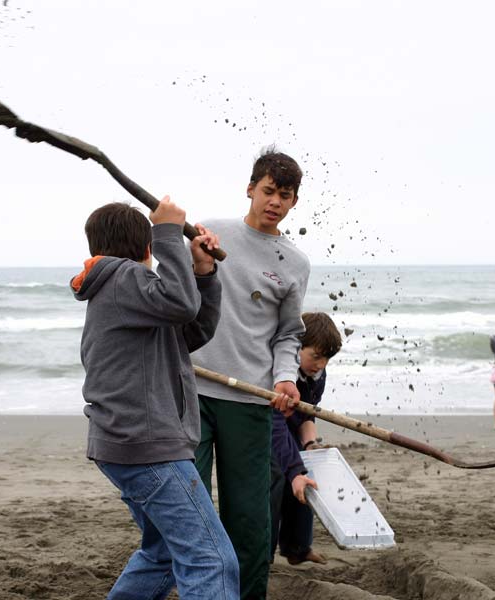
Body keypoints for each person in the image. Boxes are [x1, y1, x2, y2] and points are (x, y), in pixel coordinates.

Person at [71, 200, 239, 599]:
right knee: (211, 559)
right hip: (147, 448)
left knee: (163, 553)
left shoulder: (128, 295)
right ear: (147, 248)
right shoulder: (123, 278)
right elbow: (180, 303)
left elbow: (191, 330)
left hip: (127, 444)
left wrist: (203, 272)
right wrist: (169, 233)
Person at [191, 148, 310, 599]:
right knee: (191, 508)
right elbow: (176, 297)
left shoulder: (294, 263)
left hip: (251, 401)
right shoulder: (209, 233)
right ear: (250, 189)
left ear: (293, 202)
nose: (274, 201)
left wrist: (285, 379)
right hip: (194, 390)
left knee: (250, 520)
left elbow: (288, 334)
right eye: (268, 191)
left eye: (284, 195)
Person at [270, 312, 342, 566]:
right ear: (296, 347)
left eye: (327, 359)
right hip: (269, 424)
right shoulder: (276, 372)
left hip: (293, 425)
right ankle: (263, 554)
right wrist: (294, 466)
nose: (321, 364)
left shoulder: (317, 376)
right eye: (316, 356)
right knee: (277, 478)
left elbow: (309, 414)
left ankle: (297, 548)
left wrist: (311, 446)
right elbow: (274, 423)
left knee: (308, 474)